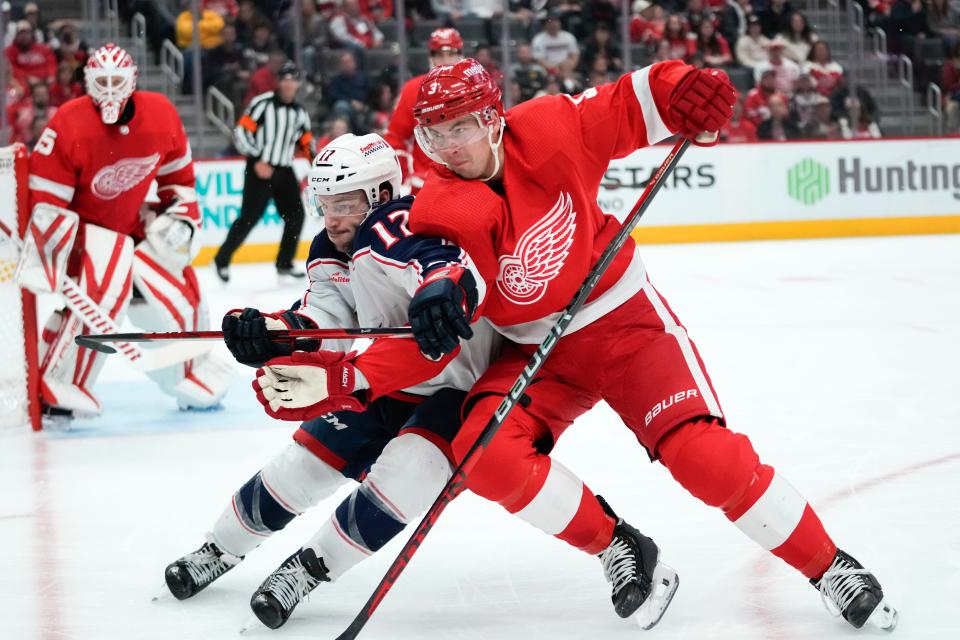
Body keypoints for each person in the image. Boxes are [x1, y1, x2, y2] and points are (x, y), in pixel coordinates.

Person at [251, 59, 899, 631]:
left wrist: (684, 90)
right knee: (484, 453)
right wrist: (434, 299)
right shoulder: (442, 205)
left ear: (494, 120)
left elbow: (635, 98)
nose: (450, 148)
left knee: (702, 457)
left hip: (622, 324)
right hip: (535, 352)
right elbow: (449, 293)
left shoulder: (553, 126)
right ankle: (621, 547)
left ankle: (830, 567)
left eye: (461, 128)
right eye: (436, 134)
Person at [164, 133, 501, 629]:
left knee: (404, 477)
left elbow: (441, 268)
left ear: (383, 195)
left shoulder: (414, 222)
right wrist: (274, 333)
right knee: (298, 467)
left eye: (345, 203)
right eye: (325, 204)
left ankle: (307, 570)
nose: (334, 218)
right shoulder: (332, 245)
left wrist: (440, 288)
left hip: (459, 390)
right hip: (385, 379)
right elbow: (326, 319)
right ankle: (220, 547)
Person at [25, 43, 232, 418]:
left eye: (115, 80)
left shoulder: (161, 115)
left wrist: (180, 219)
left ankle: (191, 372)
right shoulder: (68, 123)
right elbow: (46, 199)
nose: (108, 89)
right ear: (87, 82)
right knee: (103, 290)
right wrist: (49, 248)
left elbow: (179, 181)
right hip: (86, 233)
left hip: (132, 227)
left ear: (132, 80)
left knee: (181, 291)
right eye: (100, 81)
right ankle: (62, 380)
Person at [214, 62, 313, 282]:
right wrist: (257, 158)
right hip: (260, 168)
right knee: (249, 218)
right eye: (285, 78)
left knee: (296, 216)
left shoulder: (300, 112)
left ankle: (284, 263)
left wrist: (317, 162)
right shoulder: (263, 104)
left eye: (293, 79)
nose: (289, 83)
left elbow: (306, 142)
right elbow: (241, 132)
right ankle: (222, 259)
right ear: (279, 81)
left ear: (298, 83)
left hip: (284, 169)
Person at [383, 27, 463, 194]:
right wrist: (403, 177)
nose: (445, 60)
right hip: (425, 184)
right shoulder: (412, 89)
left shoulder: (475, 86)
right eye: (439, 54)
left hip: (468, 179)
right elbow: (395, 137)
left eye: (451, 53)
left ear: (460, 55)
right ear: (431, 57)